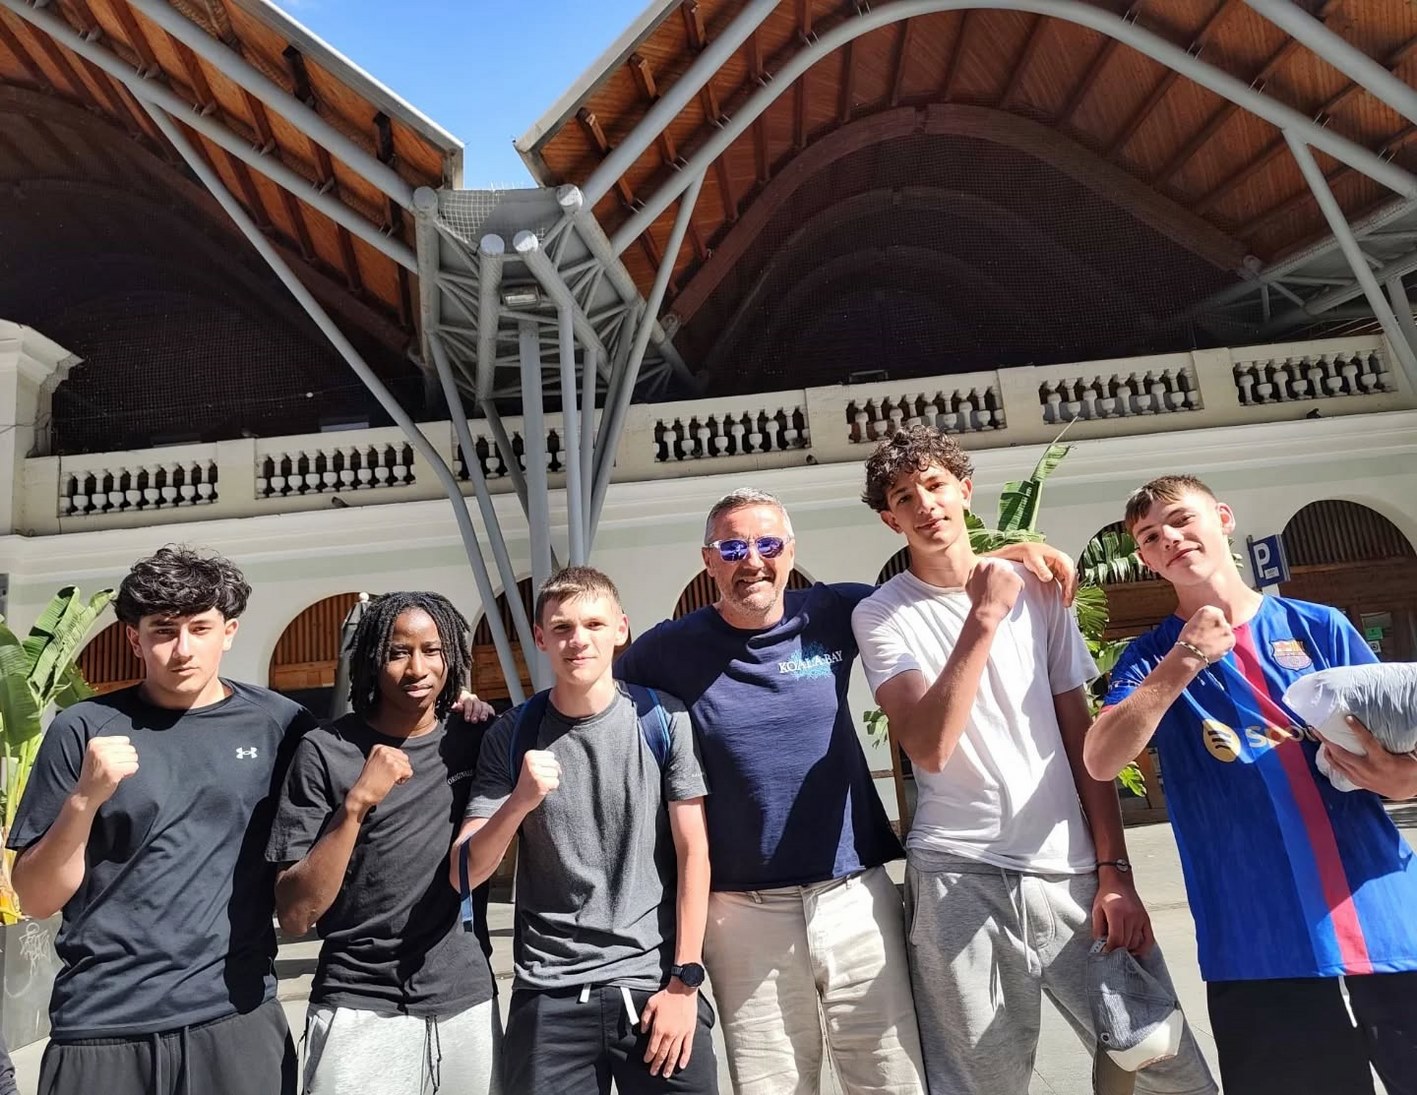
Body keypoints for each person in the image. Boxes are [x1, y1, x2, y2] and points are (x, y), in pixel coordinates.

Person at [613, 485, 1075, 1095]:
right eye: (732, 548)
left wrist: (1011, 553)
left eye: (767, 544)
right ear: (709, 560)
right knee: (774, 1086)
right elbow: (590, 696)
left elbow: (931, 579)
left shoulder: (835, 611)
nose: (752, 561)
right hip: (742, 913)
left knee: (889, 1079)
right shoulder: (667, 648)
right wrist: (489, 717)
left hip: (854, 894)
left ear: (790, 551)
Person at [850, 427, 1216, 1095]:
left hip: (1068, 870)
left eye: (934, 485)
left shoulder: (1040, 588)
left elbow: (1084, 740)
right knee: (979, 1083)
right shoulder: (882, 614)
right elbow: (928, 746)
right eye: (904, 497)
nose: (924, 504)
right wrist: (984, 616)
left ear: (964, 490)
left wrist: (1115, 870)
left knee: (1165, 1064)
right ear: (889, 519)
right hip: (955, 874)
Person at [1084, 474, 1417, 1095]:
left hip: (1386, 914)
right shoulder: (1150, 657)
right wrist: (1185, 659)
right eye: (1150, 537)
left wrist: (1404, 777)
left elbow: (1403, 743)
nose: (1169, 538)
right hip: (1255, 937)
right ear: (1147, 560)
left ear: (1223, 518)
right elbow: (1101, 759)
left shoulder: (1320, 627)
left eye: (1182, 519)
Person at [7, 546, 314, 1095]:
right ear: (135, 639)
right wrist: (85, 799)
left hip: (236, 1016)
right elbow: (36, 897)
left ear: (229, 631)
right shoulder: (83, 729)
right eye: (164, 631)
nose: (182, 649)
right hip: (103, 1024)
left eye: (200, 628)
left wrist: (454, 710)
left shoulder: (280, 724)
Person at [453, 566, 717, 1094]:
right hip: (548, 997)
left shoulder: (664, 720)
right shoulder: (512, 734)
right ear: (540, 638)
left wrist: (685, 982)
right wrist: (518, 802)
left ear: (620, 628)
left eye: (594, 624)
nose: (578, 640)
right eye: (562, 627)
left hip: (654, 989)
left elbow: (694, 854)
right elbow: (464, 873)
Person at [267, 592, 501, 1095]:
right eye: (398, 653)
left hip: (465, 999)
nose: (417, 668)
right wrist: (356, 805)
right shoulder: (324, 752)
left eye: (432, 651)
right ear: (372, 659)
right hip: (357, 1002)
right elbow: (295, 915)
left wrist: (474, 705)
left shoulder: (474, 737)